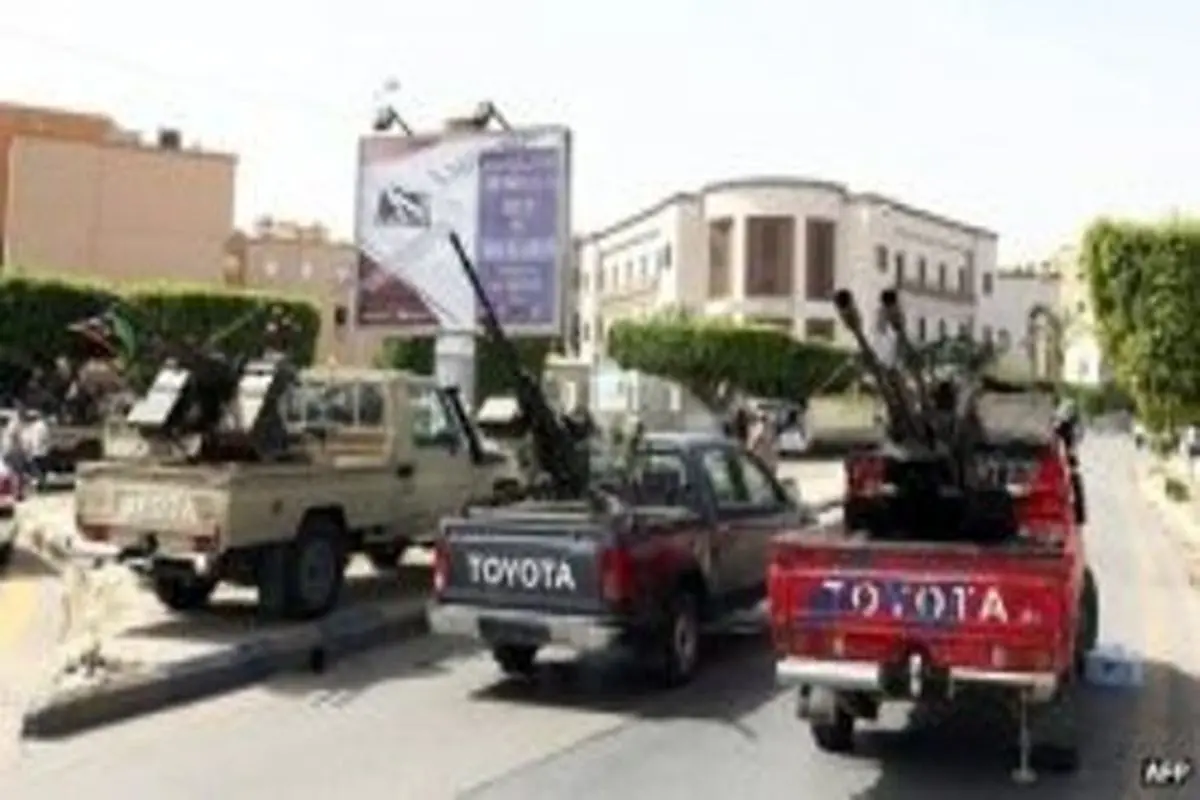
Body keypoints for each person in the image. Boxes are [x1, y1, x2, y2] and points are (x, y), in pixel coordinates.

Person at [21, 409, 49, 490]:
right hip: (42, 451)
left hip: (35, 451)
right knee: (41, 470)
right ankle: (41, 485)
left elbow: (33, 440)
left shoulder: (35, 427)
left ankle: (39, 485)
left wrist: (28, 448)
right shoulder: (42, 426)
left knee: (35, 470)